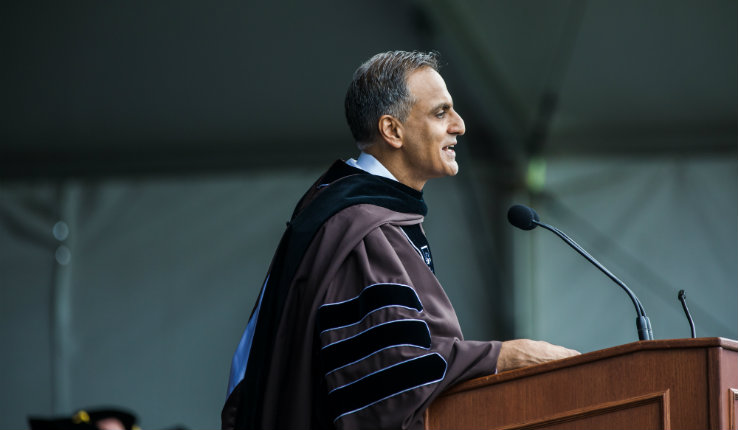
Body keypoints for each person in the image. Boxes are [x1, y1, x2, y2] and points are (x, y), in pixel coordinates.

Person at [221, 50, 578, 430]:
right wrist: (502, 357)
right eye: (441, 113)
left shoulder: (362, 213)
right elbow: (389, 383)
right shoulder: (360, 230)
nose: (459, 125)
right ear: (393, 131)